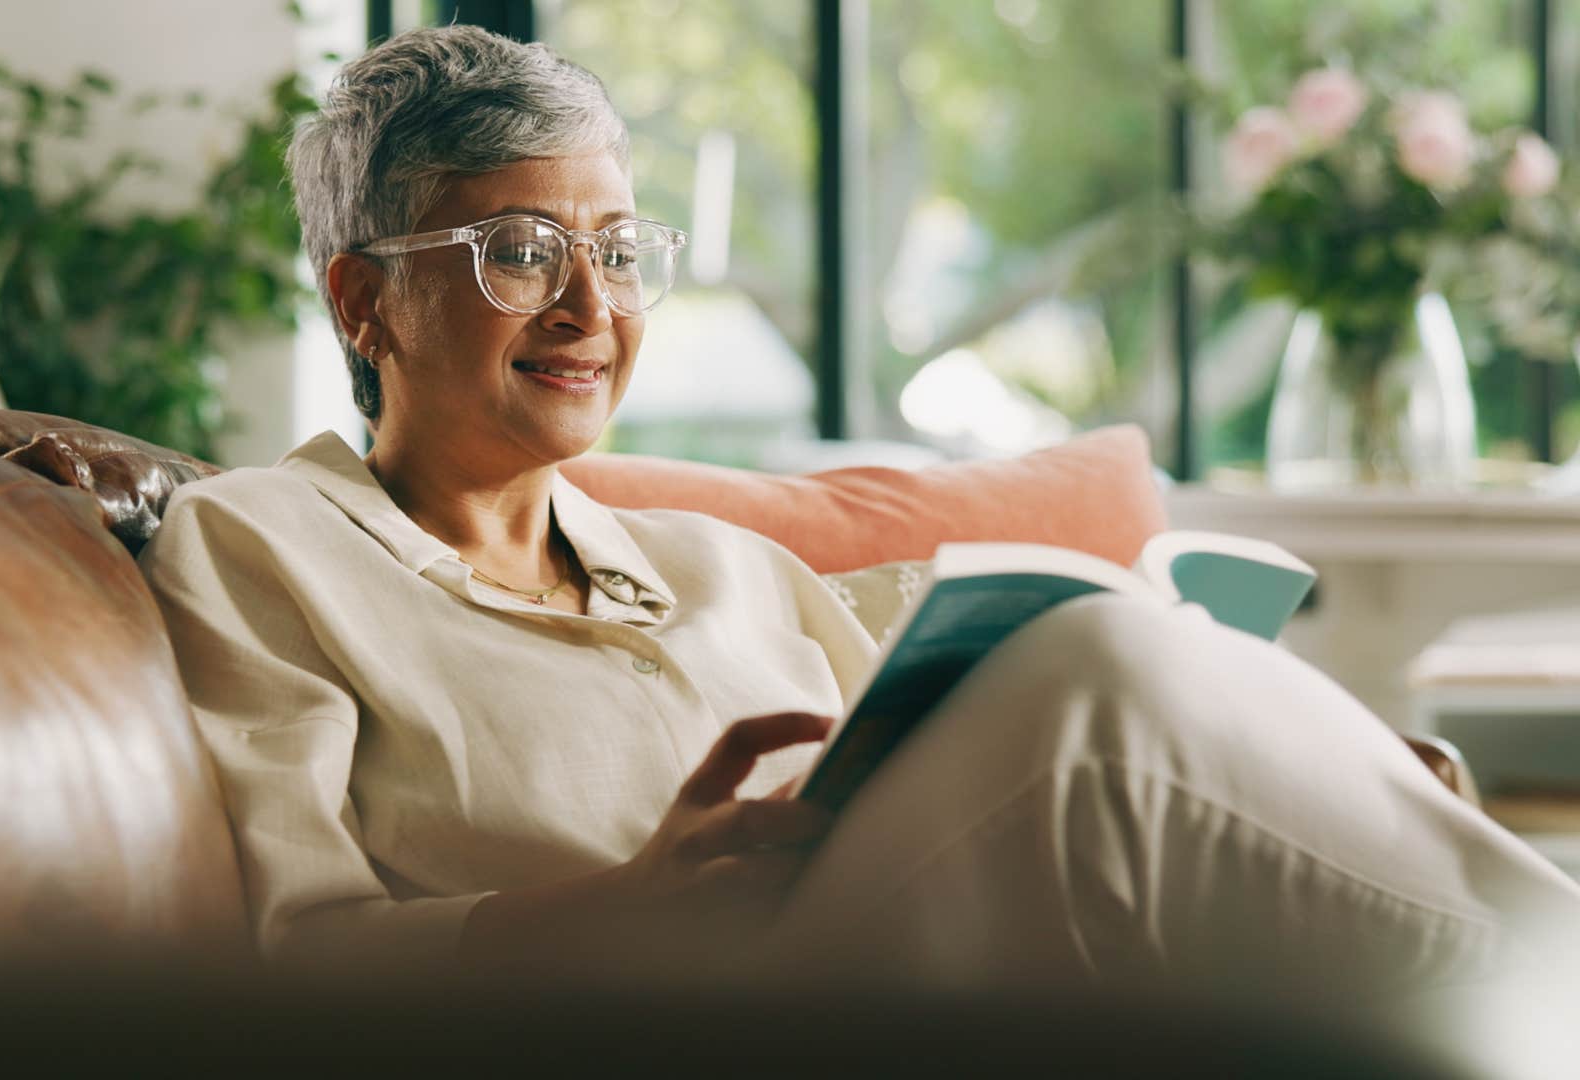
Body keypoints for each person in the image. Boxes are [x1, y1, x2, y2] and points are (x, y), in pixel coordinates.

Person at [139, 25, 1580, 994]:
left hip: (946, 962)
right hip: (684, 1013)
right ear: (362, 297)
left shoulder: (727, 571)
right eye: (519, 250)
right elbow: (297, 949)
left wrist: (1312, 764)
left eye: (622, 250)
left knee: (1138, 653)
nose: (592, 307)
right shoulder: (261, 544)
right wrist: (613, 913)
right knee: (1098, 679)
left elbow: (948, 759)